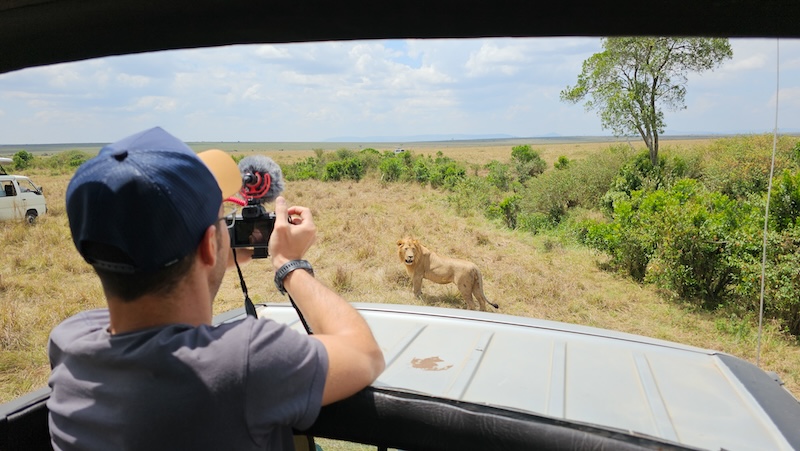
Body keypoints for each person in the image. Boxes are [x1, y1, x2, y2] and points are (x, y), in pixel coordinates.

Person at [47, 127, 385, 450]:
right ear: (210, 244)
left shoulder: (70, 342)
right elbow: (364, 355)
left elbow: (142, 269)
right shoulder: (244, 361)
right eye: (224, 219)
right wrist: (289, 263)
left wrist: (213, 250)